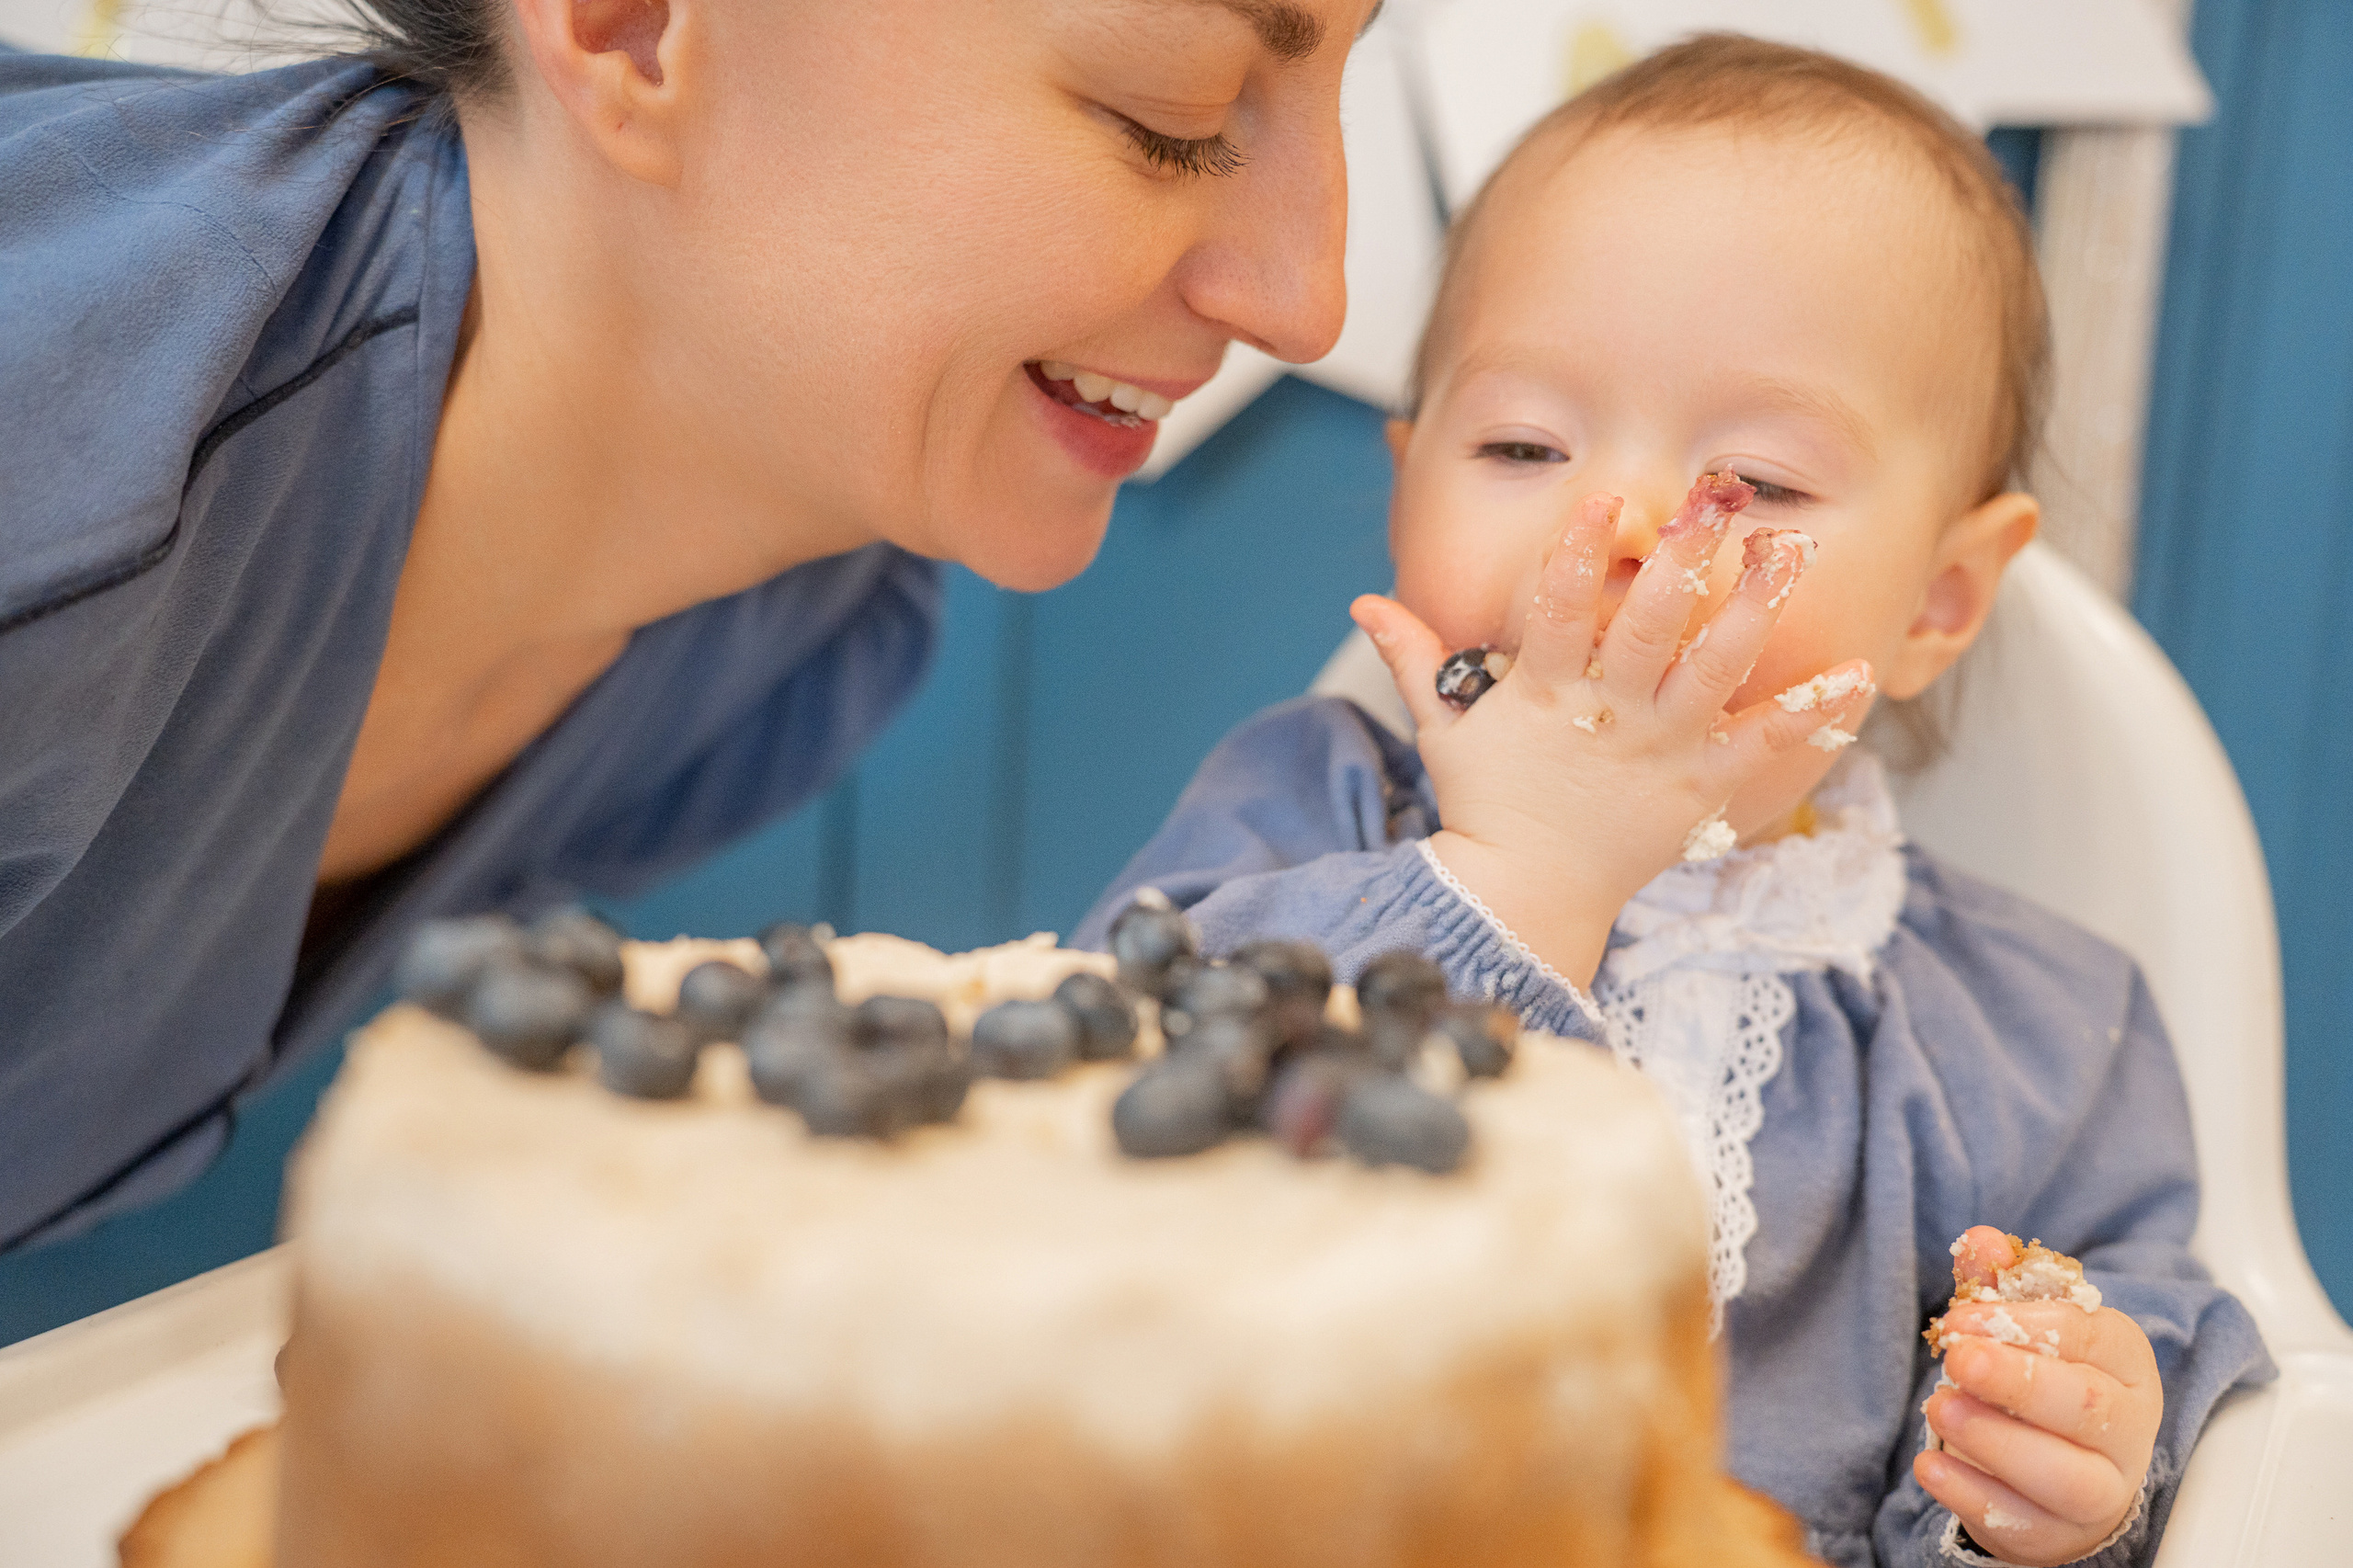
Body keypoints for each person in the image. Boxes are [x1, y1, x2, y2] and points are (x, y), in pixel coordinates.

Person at [1077, 37, 2271, 1568]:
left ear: (1941, 596)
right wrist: (1517, 873)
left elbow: (2143, 1373)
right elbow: (1101, 1154)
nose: (1620, 525)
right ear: (1407, 482)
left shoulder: (2038, 1037)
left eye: (1757, 483)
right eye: (1522, 446)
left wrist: (2050, 1480)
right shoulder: (1297, 815)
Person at [0, 0, 1381, 1251]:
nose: (1308, 300)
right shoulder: (57, 477)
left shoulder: (798, 649)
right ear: (633, 30)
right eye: (1175, 118)